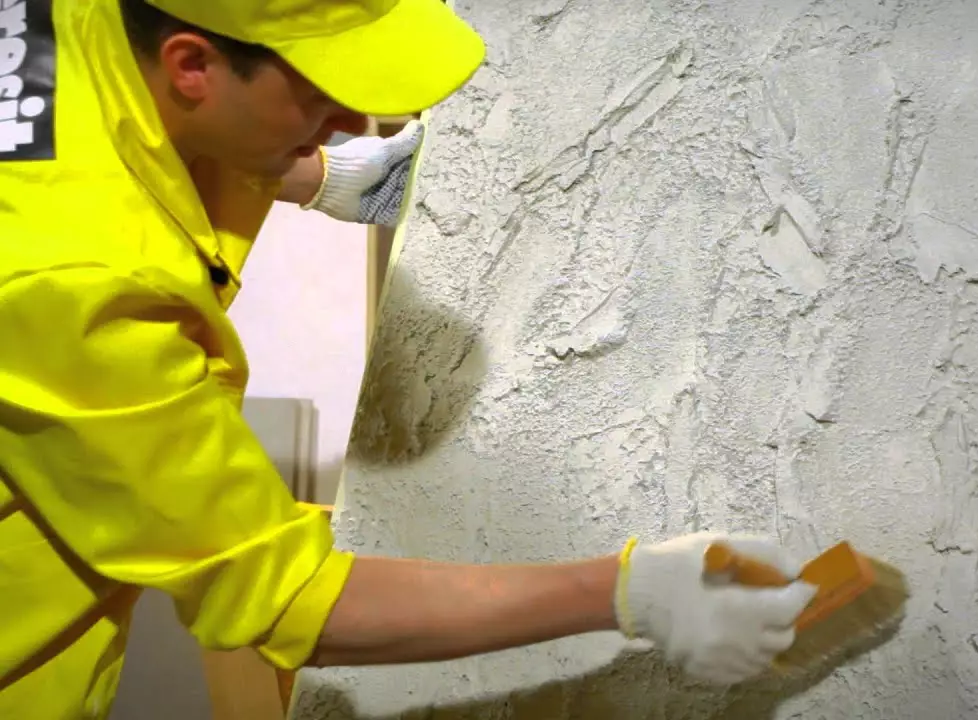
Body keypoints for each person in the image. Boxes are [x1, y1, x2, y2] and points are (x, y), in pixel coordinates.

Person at [0, 1, 819, 717]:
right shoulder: (68, 282)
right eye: (325, 97)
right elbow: (286, 600)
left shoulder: (68, 23)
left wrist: (309, 173)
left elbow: (127, 128)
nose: (360, 122)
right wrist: (629, 592)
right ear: (191, 64)